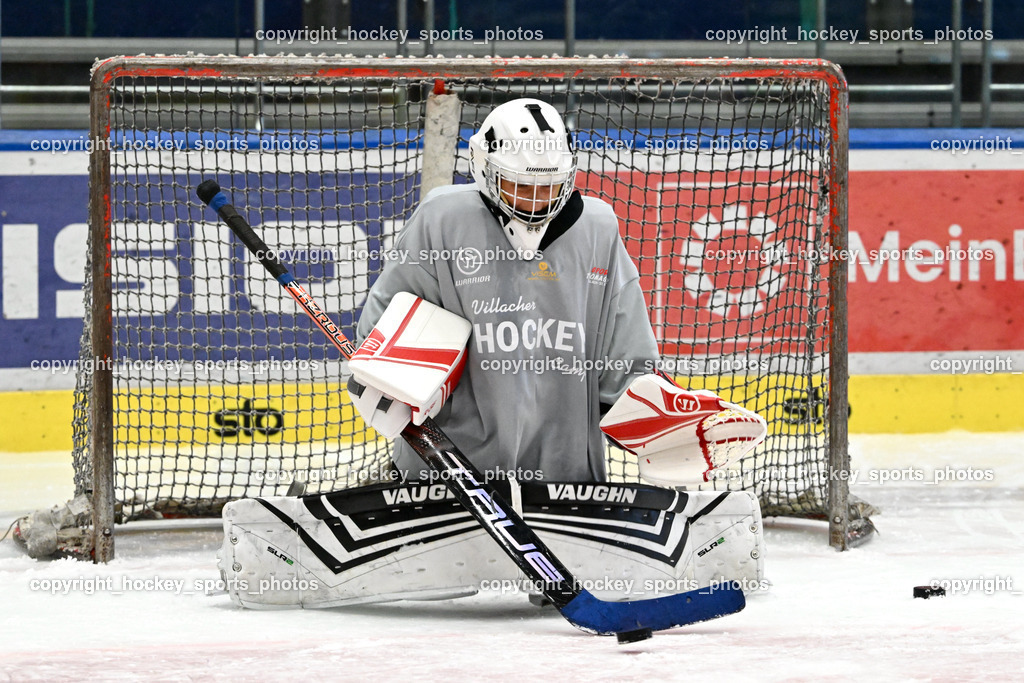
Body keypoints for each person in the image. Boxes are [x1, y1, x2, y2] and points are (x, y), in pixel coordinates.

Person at [347, 98, 765, 486]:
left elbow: (624, 363)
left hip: (567, 479)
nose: (536, 202)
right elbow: (382, 332)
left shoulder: (598, 230)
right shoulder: (443, 220)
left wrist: (663, 423)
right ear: (484, 170)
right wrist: (389, 379)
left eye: (548, 187)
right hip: (446, 479)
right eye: (521, 186)